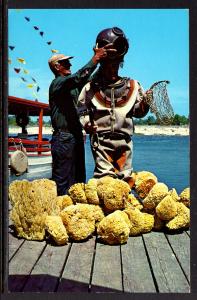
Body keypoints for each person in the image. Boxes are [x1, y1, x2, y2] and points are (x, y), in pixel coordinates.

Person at [78, 27, 151, 188]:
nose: (112, 70)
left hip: (124, 142)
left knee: (125, 180)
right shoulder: (90, 87)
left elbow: (137, 112)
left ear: (121, 64)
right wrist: (86, 125)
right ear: (101, 65)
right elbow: (81, 109)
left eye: (115, 66)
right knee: (104, 181)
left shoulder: (133, 85)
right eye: (108, 66)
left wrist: (146, 103)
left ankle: (124, 209)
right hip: (101, 141)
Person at [48, 43, 116, 195]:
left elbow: (88, 79)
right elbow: (79, 76)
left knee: (78, 181)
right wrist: (96, 57)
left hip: (75, 136)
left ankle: (75, 214)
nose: (70, 64)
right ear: (57, 67)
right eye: (66, 62)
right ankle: (60, 214)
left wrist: (103, 61)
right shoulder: (57, 84)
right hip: (64, 138)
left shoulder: (72, 87)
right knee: (63, 183)